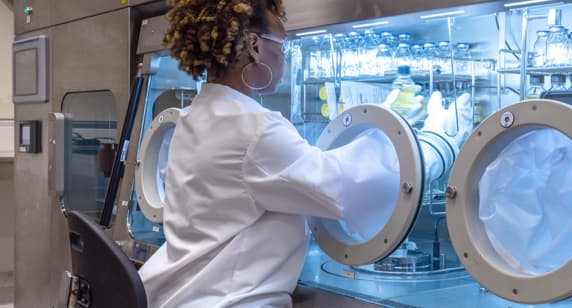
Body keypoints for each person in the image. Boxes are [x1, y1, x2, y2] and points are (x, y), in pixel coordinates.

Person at [138, 0, 400, 307]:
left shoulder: (190, 119)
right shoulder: (254, 129)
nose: (284, 58)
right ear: (254, 45)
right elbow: (343, 187)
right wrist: (433, 144)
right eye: (283, 46)